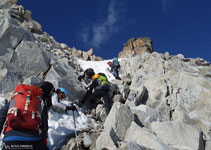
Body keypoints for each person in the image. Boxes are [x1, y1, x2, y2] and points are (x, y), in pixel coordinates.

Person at [0, 82, 55, 150]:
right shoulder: (40, 102)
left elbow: (1, 116)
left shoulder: (15, 99)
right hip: (34, 140)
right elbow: (44, 127)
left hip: (10, 140)